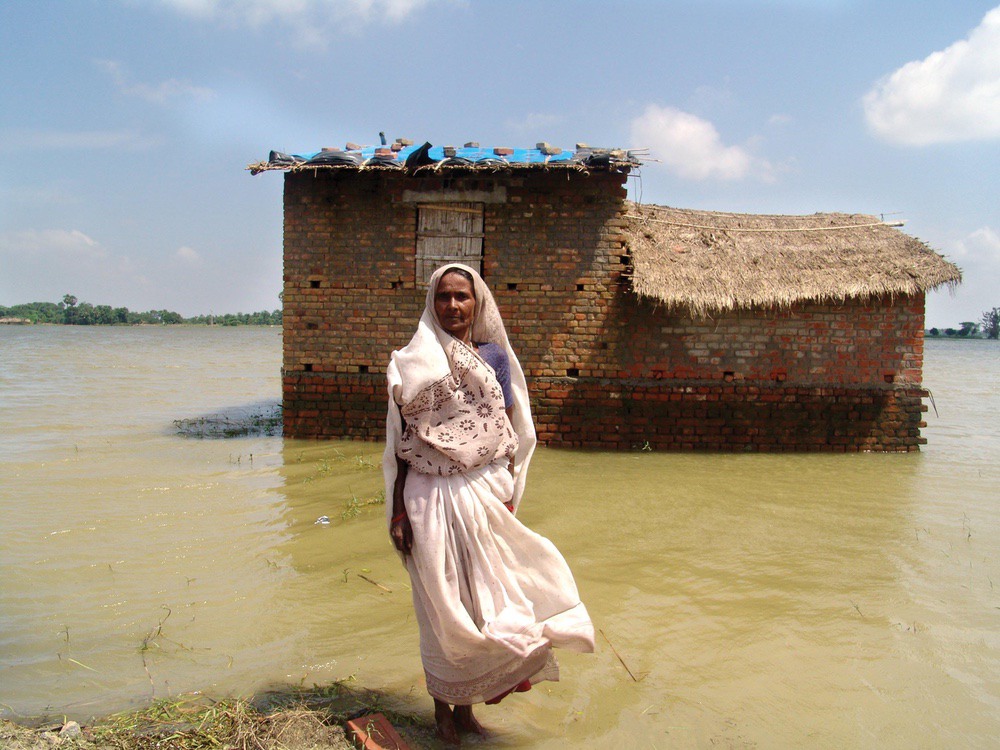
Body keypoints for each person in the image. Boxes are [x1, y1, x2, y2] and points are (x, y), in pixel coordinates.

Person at [382, 263, 594, 745]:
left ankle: (466, 711)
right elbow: (401, 444)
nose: (453, 306)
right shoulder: (410, 360)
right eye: (443, 296)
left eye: (462, 296)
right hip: (426, 499)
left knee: (487, 608)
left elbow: (508, 429)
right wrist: (397, 512)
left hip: (483, 494)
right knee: (441, 609)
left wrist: (506, 493)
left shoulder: (495, 358)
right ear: (431, 302)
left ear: (478, 304)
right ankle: (442, 712)